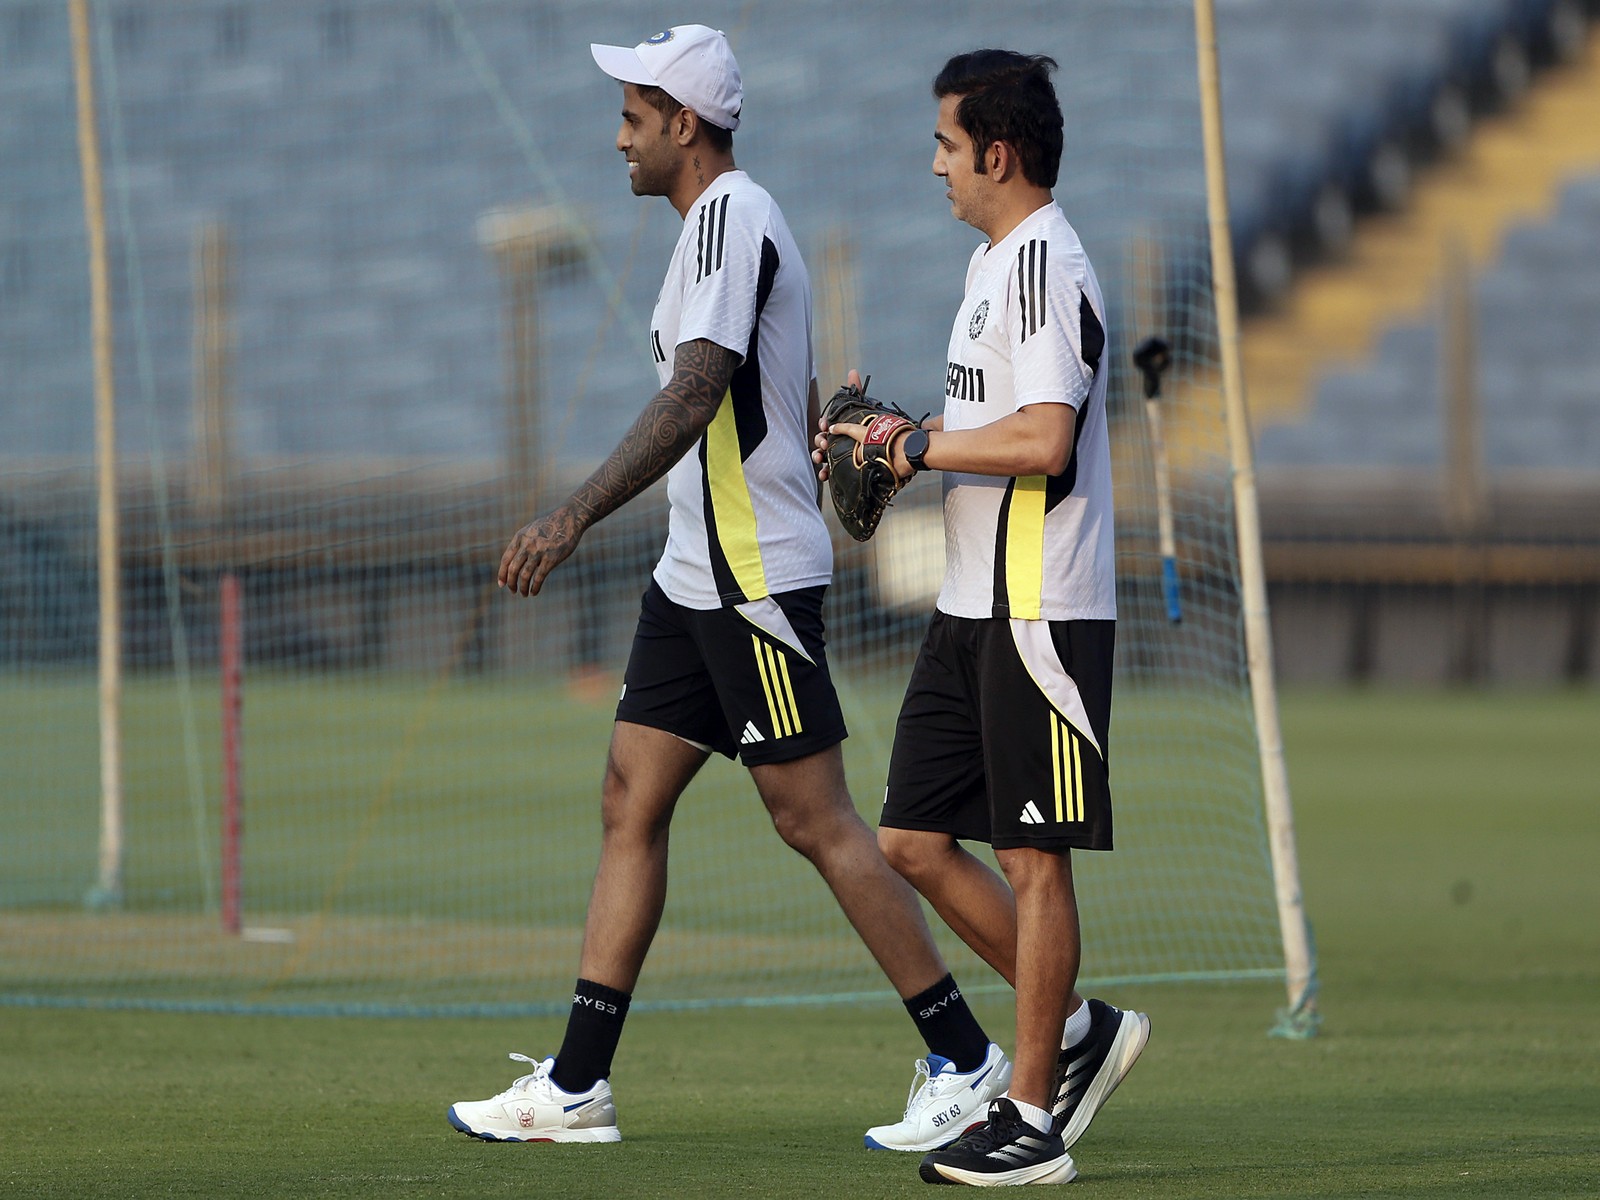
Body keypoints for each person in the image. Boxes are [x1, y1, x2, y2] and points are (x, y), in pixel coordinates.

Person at [446, 24, 1008, 1148]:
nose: (619, 139)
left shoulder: (729, 220)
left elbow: (693, 395)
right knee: (629, 799)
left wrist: (569, 516)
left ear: (684, 125)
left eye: (632, 118)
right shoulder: (713, 229)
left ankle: (968, 1055)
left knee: (815, 819)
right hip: (693, 575)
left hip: (749, 579)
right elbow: (757, 399)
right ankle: (577, 1085)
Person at [818, 50, 1150, 1186]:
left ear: (996, 154)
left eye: (947, 146)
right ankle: (1079, 1030)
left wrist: (913, 444)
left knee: (1032, 861)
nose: (936, 166)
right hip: (971, 604)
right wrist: (888, 441)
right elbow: (990, 425)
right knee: (911, 838)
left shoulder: (1045, 263)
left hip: (1039, 608)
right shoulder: (993, 263)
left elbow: (1045, 439)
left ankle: (1031, 1120)